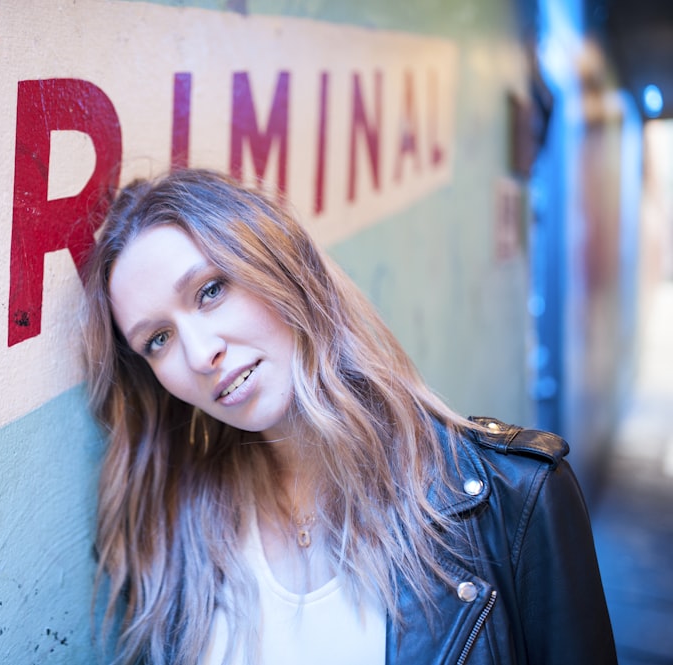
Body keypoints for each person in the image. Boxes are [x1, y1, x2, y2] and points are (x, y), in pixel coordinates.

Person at [81, 168, 616, 665]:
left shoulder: (516, 498)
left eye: (211, 290)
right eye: (157, 340)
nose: (199, 354)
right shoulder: (175, 537)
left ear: (280, 266)